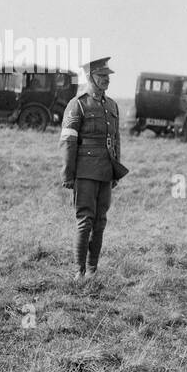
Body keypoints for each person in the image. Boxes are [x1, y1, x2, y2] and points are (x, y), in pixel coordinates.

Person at [60, 57, 126, 281]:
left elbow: (115, 140)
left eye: (108, 76)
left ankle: (92, 270)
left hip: (106, 171)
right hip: (85, 171)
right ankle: (78, 272)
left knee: (100, 221)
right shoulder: (77, 105)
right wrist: (68, 174)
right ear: (90, 77)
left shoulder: (111, 105)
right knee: (85, 220)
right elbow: (68, 142)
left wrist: (115, 169)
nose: (107, 80)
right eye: (102, 76)